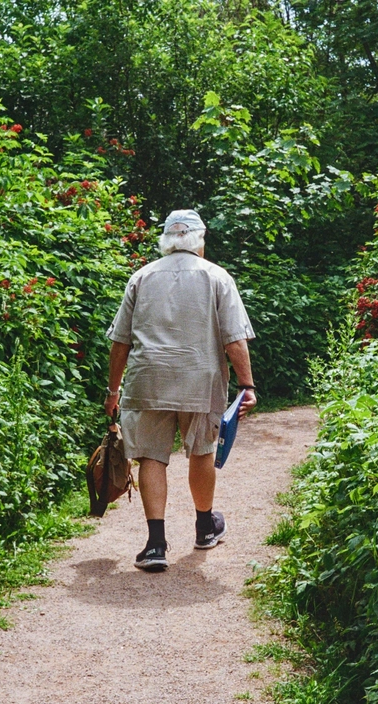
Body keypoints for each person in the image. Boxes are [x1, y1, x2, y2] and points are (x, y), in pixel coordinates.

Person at [104, 209, 257, 571]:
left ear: (167, 241)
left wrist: (113, 390)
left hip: (147, 380)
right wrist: (246, 384)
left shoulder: (141, 277)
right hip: (199, 381)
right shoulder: (217, 277)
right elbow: (234, 338)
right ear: (199, 241)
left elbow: (120, 343)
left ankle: (156, 545)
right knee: (202, 451)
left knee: (151, 457)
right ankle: (205, 527)